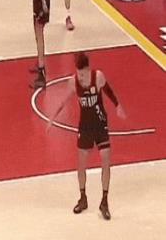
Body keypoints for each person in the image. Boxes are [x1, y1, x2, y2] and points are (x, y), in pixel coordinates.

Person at [49, 52, 126, 220]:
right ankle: (83, 197)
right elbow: (63, 101)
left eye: (83, 74)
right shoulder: (73, 82)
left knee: (105, 159)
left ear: (88, 69)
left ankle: (104, 201)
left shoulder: (98, 77)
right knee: (81, 164)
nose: (81, 77)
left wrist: (117, 105)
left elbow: (108, 90)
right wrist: (52, 118)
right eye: (79, 74)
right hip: (85, 127)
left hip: (100, 123)